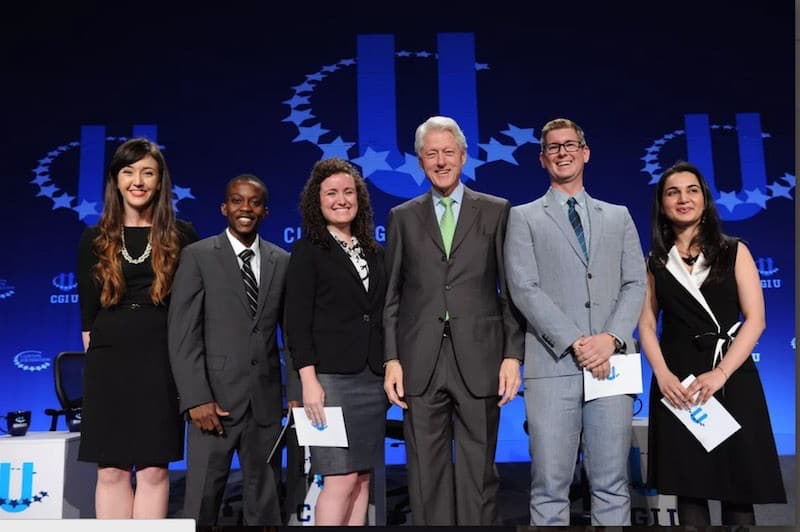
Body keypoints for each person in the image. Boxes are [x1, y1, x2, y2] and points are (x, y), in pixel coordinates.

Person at [504, 118, 646, 526]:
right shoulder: (523, 217)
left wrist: (611, 338)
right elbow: (524, 288)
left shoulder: (618, 216)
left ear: (585, 152)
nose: (562, 152)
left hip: (611, 364)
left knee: (612, 483)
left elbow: (635, 282)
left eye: (570, 145)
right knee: (549, 486)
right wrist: (578, 343)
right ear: (542, 159)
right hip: (554, 365)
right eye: (553, 147)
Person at [383, 115, 524, 526]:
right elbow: (392, 296)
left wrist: (512, 356)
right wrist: (392, 358)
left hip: (481, 359)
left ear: (463, 157)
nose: (441, 161)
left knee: (479, 473)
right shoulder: (403, 217)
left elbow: (510, 290)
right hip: (419, 362)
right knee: (425, 475)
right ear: (420, 161)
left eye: (448, 152)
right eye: (432, 154)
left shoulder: (496, 211)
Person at [637, 161, 786, 526]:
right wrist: (663, 376)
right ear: (662, 204)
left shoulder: (734, 250)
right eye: (673, 192)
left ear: (704, 199)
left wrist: (720, 374)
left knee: (737, 491)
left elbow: (756, 320)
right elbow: (644, 323)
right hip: (679, 385)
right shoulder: (656, 261)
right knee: (689, 489)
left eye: (692, 190)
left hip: (730, 376)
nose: (683, 199)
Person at [77, 137, 198, 518]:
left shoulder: (182, 235)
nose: (138, 181)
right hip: (108, 364)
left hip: (161, 361)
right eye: (128, 172)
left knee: (153, 469)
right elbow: (87, 321)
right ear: (116, 180)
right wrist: (102, 368)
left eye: (148, 172)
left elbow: (193, 309)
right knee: (111, 470)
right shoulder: (93, 240)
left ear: (160, 181)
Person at [167, 174, 294, 526]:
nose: (245, 208)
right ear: (225, 208)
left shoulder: (281, 260)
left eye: (254, 202)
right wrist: (194, 398)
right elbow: (183, 334)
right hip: (213, 405)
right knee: (202, 504)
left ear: (265, 211)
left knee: (266, 505)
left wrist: (294, 395)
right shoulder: (198, 256)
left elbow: (292, 336)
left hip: (265, 404)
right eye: (237, 201)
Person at [285, 157, 387, 526]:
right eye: (332, 193)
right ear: (318, 200)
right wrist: (308, 382)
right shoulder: (308, 249)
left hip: (371, 379)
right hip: (328, 381)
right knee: (338, 478)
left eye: (348, 191)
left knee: (361, 478)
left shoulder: (373, 251)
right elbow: (295, 322)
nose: (341, 199)